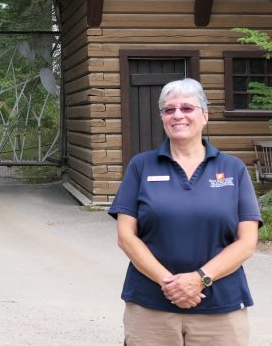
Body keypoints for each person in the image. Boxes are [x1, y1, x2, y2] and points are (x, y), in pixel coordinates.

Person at [108, 78, 261, 346]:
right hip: (151, 308)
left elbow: (247, 242)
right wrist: (171, 284)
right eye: (169, 110)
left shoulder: (233, 168)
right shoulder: (141, 166)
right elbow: (126, 237)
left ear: (205, 116)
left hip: (220, 309)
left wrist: (199, 279)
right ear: (162, 118)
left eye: (187, 108)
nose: (177, 115)